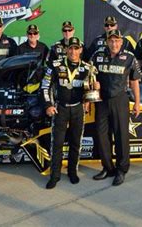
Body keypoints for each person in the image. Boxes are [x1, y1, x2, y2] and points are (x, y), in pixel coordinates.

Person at [42, 37, 96, 190]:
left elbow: (91, 90)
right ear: (66, 50)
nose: (73, 51)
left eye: (76, 48)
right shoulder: (55, 65)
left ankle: (73, 172)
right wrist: (48, 105)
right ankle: (55, 175)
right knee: (57, 143)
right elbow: (44, 86)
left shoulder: (87, 68)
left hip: (78, 109)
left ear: (80, 50)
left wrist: (91, 95)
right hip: (60, 108)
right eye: (70, 48)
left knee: (75, 142)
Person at [90, 29, 141, 186]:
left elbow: (134, 82)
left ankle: (121, 169)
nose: (114, 43)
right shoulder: (97, 55)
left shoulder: (129, 58)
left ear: (121, 42)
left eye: (117, 41)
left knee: (121, 136)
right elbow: (90, 75)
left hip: (119, 99)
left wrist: (137, 103)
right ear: (107, 41)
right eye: (111, 41)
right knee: (101, 135)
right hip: (102, 100)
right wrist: (93, 84)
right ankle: (107, 167)